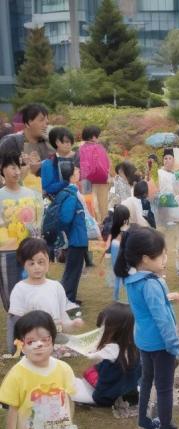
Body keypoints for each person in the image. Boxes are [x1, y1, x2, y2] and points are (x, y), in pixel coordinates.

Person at [114, 228, 179, 429]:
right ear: (145, 258)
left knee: (146, 382)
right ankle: (166, 427)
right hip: (160, 343)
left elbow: (147, 307)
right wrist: (174, 345)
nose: (165, 259)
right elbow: (161, 318)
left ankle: (144, 424)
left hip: (144, 340)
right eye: (161, 255)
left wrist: (167, 298)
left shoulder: (132, 280)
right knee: (163, 387)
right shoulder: (152, 283)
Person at [0, 153, 43, 342]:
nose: (16, 171)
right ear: (2, 171)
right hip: (6, 252)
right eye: (11, 167)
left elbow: (37, 222)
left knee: (33, 293)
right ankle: (15, 341)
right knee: (11, 299)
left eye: (18, 166)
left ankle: (31, 337)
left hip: (29, 252)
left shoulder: (31, 195)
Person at [9, 237, 84, 343]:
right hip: (33, 341)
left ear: (48, 261)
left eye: (41, 262)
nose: (37, 267)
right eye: (31, 263)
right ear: (24, 265)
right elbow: (16, 322)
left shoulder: (56, 287)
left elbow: (63, 317)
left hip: (56, 337)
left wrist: (73, 324)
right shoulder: (20, 289)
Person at [72, 302, 141, 407]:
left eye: (105, 326)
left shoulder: (112, 349)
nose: (102, 329)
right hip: (127, 388)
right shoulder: (135, 344)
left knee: (75, 384)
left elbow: (92, 356)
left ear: (116, 329)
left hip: (107, 395)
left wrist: (88, 351)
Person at [57, 161, 88, 305]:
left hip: (78, 238)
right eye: (76, 171)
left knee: (75, 271)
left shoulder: (72, 192)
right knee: (72, 271)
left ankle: (71, 298)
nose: (79, 172)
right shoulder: (70, 194)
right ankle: (67, 300)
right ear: (70, 176)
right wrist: (70, 233)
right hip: (75, 239)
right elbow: (65, 218)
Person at [0, 103, 51, 192]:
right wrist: (28, 169)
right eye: (41, 120)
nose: (46, 124)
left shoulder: (46, 144)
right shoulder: (11, 142)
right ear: (28, 123)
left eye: (47, 120)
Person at [79, 126, 111, 224]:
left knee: (90, 203)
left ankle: (94, 224)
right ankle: (105, 223)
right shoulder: (100, 148)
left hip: (87, 180)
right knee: (103, 203)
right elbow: (107, 163)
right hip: (102, 178)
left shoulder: (81, 148)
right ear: (93, 137)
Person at [40, 127, 76, 197]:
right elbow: (48, 187)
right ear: (57, 142)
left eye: (70, 141)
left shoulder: (78, 157)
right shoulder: (49, 163)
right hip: (59, 201)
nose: (68, 144)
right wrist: (67, 182)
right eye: (65, 141)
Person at [107, 205, 130, 301]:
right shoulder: (125, 228)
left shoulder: (114, 227)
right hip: (120, 249)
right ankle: (125, 297)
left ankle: (116, 298)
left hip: (114, 247)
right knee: (125, 273)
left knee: (117, 274)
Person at [157, 149, 179, 229]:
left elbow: (177, 191)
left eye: (170, 158)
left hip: (172, 205)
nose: (167, 160)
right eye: (165, 158)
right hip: (162, 202)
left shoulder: (175, 174)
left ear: (173, 160)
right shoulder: (159, 172)